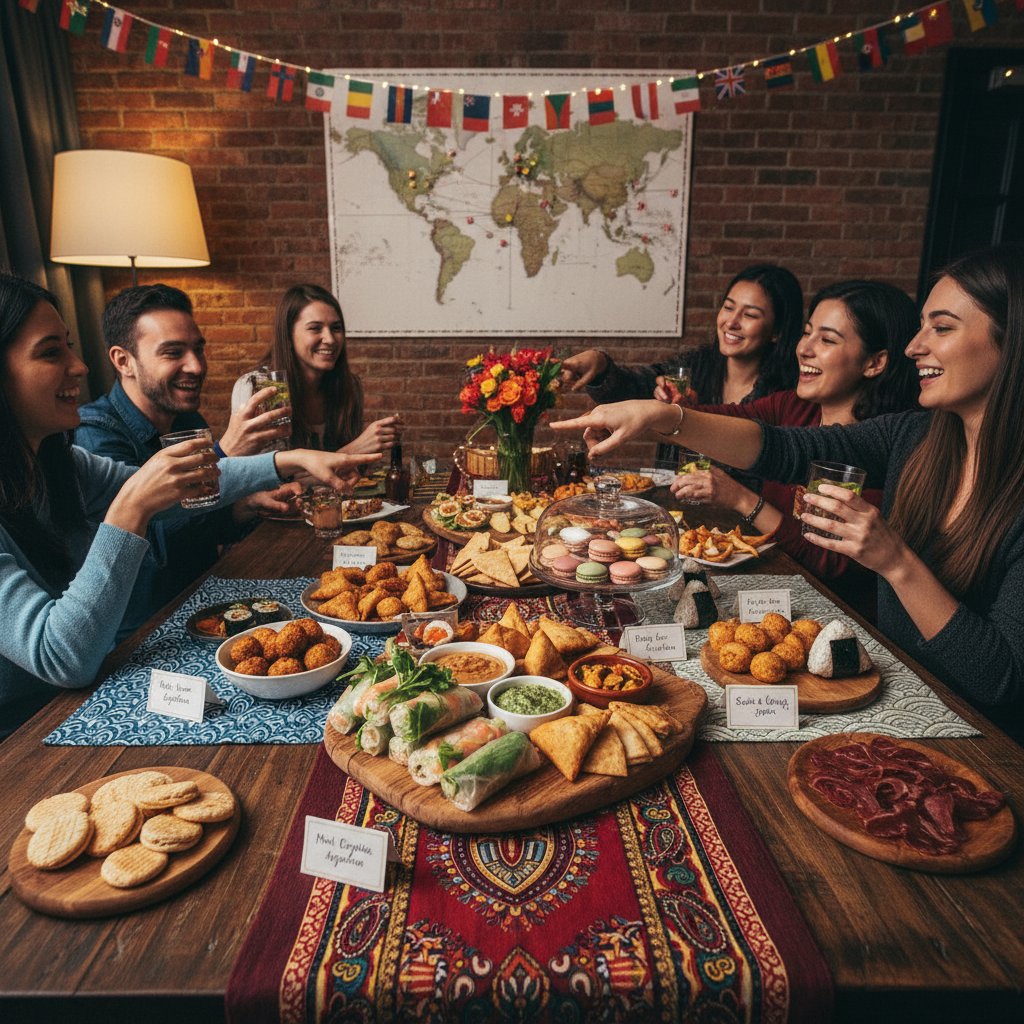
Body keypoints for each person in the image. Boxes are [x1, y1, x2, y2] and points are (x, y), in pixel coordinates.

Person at [552, 244, 1024, 742]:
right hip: (896, 696)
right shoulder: (917, 436)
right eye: (922, 325)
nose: (915, 347)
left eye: (942, 328)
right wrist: (662, 417)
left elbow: (999, 680)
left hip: (975, 742)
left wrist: (896, 562)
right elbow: (781, 447)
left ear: (1010, 341)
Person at [0, 274, 376, 738]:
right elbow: (62, 658)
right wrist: (130, 509)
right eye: (51, 351)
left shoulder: (60, 462)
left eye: (70, 348)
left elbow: (180, 492)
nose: (79, 367)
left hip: (102, 681)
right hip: (28, 735)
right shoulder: (93, 433)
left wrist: (286, 460)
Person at [665, 280, 920, 620]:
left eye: (827, 339)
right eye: (807, 333)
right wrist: (655, 415)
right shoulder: (793, 407)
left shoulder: (883, 449)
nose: (804, 349)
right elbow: (715, 422)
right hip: (775, 595)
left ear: (875, 362)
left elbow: (828, 564)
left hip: (834, 620)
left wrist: (742, 500)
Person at [75, 284, 296, 640]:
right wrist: (226, 451)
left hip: (206, 608)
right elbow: (152, 560)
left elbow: (199, 528)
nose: (195, 366)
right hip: (144, 632)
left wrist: (245, 507)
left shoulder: (186, 422)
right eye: (173, 352)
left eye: (197, 349)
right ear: (123, 360)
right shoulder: (96, 434)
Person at [559, 263, 803, 469]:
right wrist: (600, 365)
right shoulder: (693, 366)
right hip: (675, 508)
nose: (732, 322)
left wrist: (684, 416)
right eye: (728, 307)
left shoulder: (787, 394)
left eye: (750, 315)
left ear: (776, 331)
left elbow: (766, 459)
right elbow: (632, 388)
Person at [231, 284, 399, 455]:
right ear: (288, 335)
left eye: (336, 328)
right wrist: (352, 451)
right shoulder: (256, 387)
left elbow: (353, 475)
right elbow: (269, 477)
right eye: (315, 328)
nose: (330, 339)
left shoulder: (350, 386)